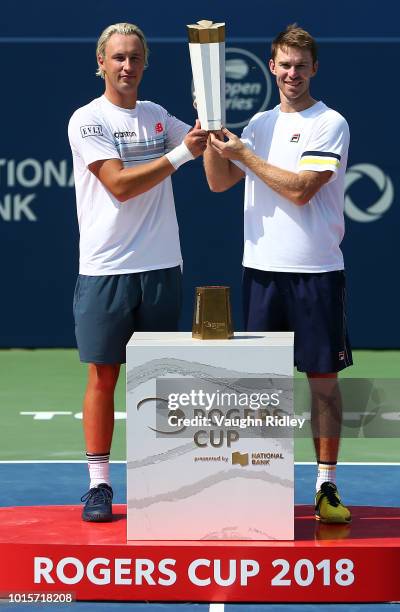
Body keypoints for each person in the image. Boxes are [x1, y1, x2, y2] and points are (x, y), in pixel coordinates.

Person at [204, 24, 352, 524]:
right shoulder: (260, 123)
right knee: (261, 388)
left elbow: (301, 189)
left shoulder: (329, 122)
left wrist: (243, 153)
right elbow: (220, 182)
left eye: (301, 66)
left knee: (323, 382)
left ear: (314, 69)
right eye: (284, 65)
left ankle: (325, 485)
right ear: (272, 66)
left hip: (315, 272)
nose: (292, 74)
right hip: (262, 271)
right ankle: (259, 488)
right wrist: (209, 133)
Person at [68, 22, 207, 522]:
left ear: (145, 63)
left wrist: (207, 122)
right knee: (104, 375)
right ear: (101, 62)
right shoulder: (87, 120)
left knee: (156, 379)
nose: (127, 66)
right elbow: (120, 186)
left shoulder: (155, 116)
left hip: (161, 266)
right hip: (106, 269)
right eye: (118, 57)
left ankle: (159, 480)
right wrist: (182, 151)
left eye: (136, 58)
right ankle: (99, 485)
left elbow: (202, 147)